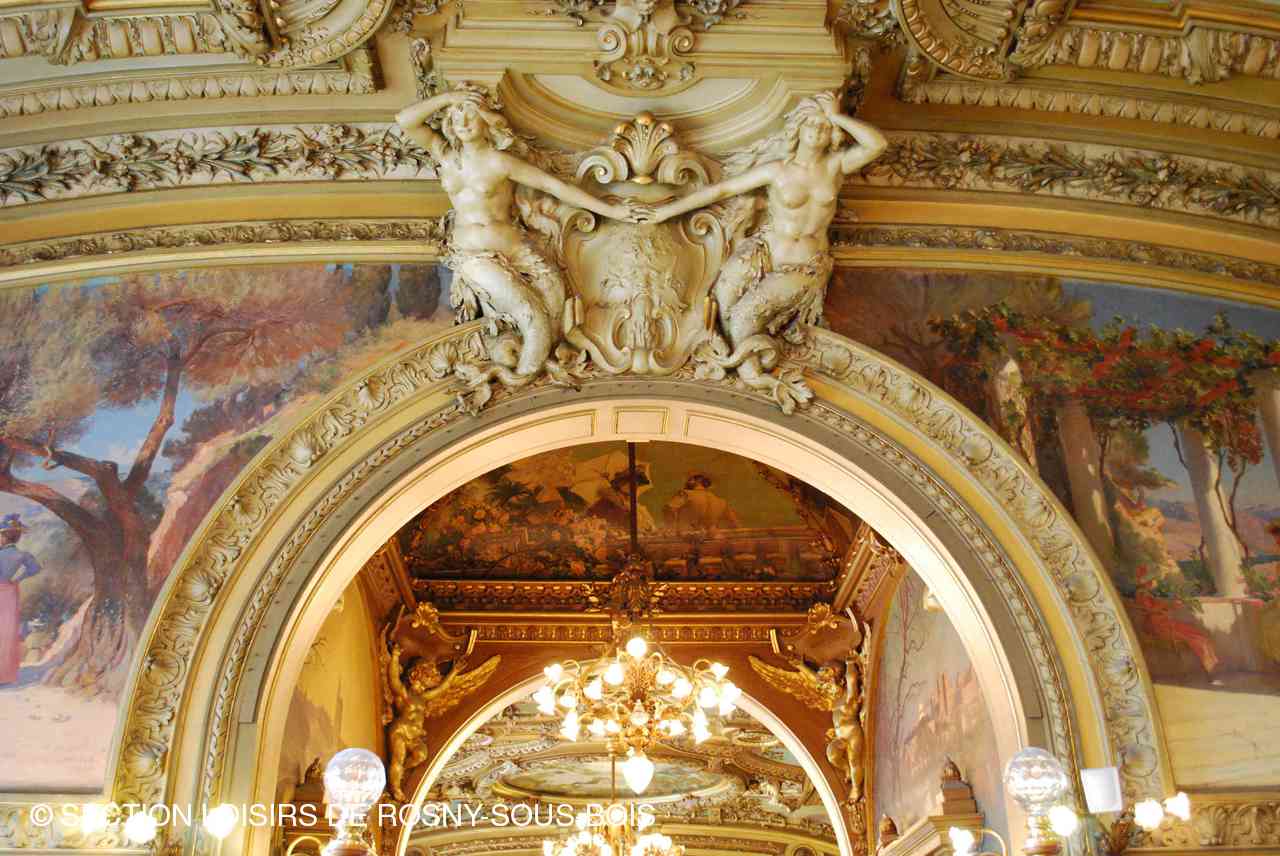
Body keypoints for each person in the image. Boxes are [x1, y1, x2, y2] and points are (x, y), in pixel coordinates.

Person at [650, 92, 886, 406]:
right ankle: (727, 359)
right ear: (798, 128)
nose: (817, 130)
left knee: (743, 319)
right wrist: (667, 211)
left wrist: (836, 116)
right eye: (811, 123)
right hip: (763, 249)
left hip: (803, 266)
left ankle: (753, 376)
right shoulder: (777, 170)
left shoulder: (835, 166)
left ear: (833, 132)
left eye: (824, 126)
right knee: (720, 299)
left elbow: (877, 145)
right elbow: (724, 189)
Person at [396, 89, 648, 382]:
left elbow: (554, 186)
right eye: (456, 115)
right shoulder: (446, 156)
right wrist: (449, 98)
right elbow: (404, 120)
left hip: (519, 251)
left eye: (471, 114)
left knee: (557, 306)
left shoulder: (500, 162)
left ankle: (533, 366)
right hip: (475, 257)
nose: (463, 122)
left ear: (486, 121)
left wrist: (611, 210)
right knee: (531, 315)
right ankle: (523, 377)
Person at [0, 513, 40, 686]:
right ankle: (5, 674)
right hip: (10, 592)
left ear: (4, 536)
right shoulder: (22, 555)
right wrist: (17, 579)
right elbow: (35, 568)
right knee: (7, 631)